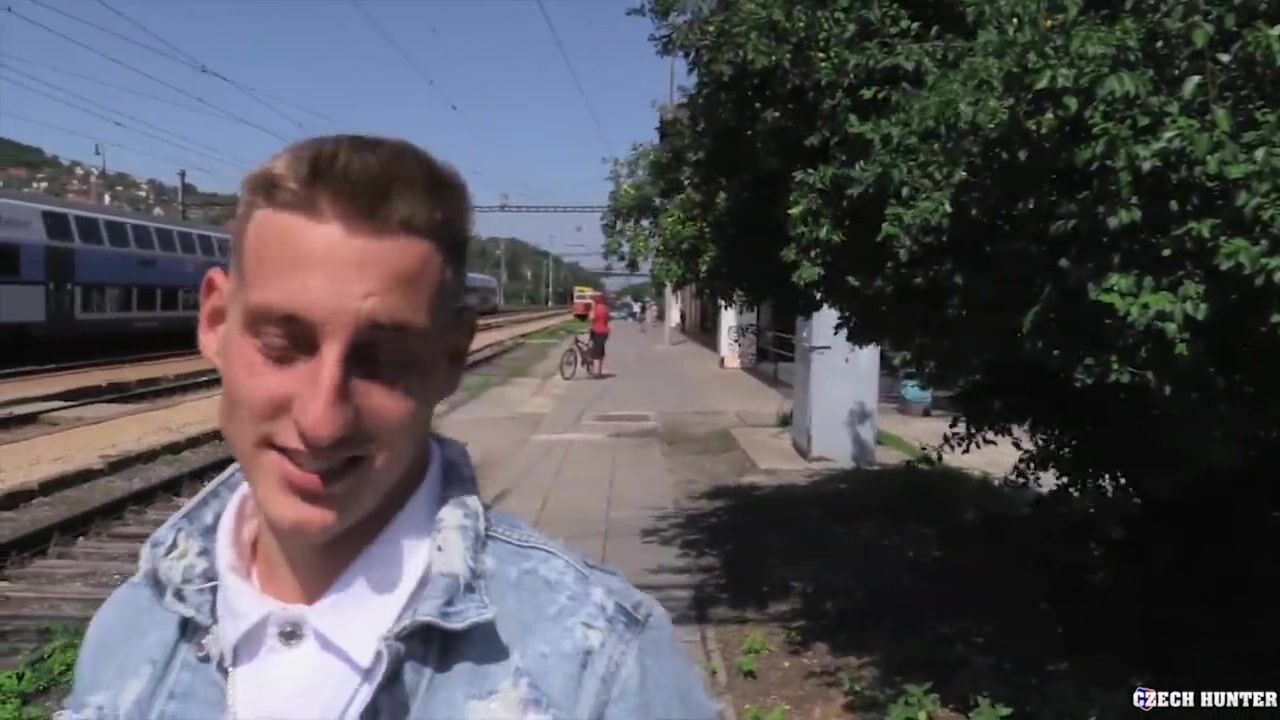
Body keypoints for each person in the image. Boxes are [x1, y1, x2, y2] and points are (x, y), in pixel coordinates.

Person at [58, 135, 720, 719]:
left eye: (383, 361)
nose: (321, 422)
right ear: (214, 324)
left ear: (451, 357)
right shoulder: (134, 628)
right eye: (282, 346)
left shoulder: (601, 668)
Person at [589, 291, 610, 375]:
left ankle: (596, 372)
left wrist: (592, 308)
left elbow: (591, 318)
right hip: (605, 332)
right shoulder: (606, 308)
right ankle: (599, 371)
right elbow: (608, 319)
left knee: (596, 353)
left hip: (597, 331)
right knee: (601, 351)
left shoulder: (596, 309)